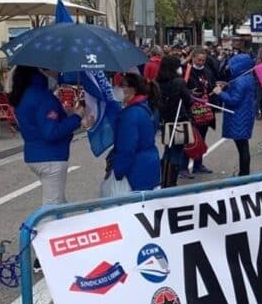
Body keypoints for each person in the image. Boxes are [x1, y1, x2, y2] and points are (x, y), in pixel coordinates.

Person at [9, 66, 92, 205]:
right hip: (51, 157)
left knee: (59, 203)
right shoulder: (44, 97)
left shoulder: (24, 95)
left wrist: (63, 115)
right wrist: (77, 116)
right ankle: (39, 227)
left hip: (34, 154)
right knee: (52, 210)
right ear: (40, 72)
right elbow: (51, 132)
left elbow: (38, 123)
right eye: (47, 69)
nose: (53, 72)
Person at [109, 72, 161, 191]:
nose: (117, 89)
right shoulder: (148, 106)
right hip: (150, 163)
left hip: (135, 169)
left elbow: (126, 148)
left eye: (121, 86)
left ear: (132, 89)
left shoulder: (129, 115)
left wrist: (118, 171)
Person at [212, 53, 255, 176]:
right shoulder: (247, 77)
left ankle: (244, 174)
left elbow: (233, 100)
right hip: (244, 115)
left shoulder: (240, 81)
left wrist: (220, 93)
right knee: (243, 146)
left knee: (242, 147)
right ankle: (244, 173)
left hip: (238, 116)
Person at [156, 55, 194, 187]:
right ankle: (171, 182)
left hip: (166, 120)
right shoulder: (179, 82)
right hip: (179, 120)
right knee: (177, 152)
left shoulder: (158, 83)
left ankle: (164, 180)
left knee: (168, 150)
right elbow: (189, 101)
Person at [184, 47, 217, 175]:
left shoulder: (207, 71)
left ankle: (198, 165)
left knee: (202, 139)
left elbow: (211, 85)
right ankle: (184, 167)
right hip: (191, 110)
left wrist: (215, 89)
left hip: (205, 110)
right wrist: (189, 93)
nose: (201, 62)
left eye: (203, 60)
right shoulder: (187, 71)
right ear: (193, 58)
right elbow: (181, 87)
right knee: (190, 140)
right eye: (198, 60)